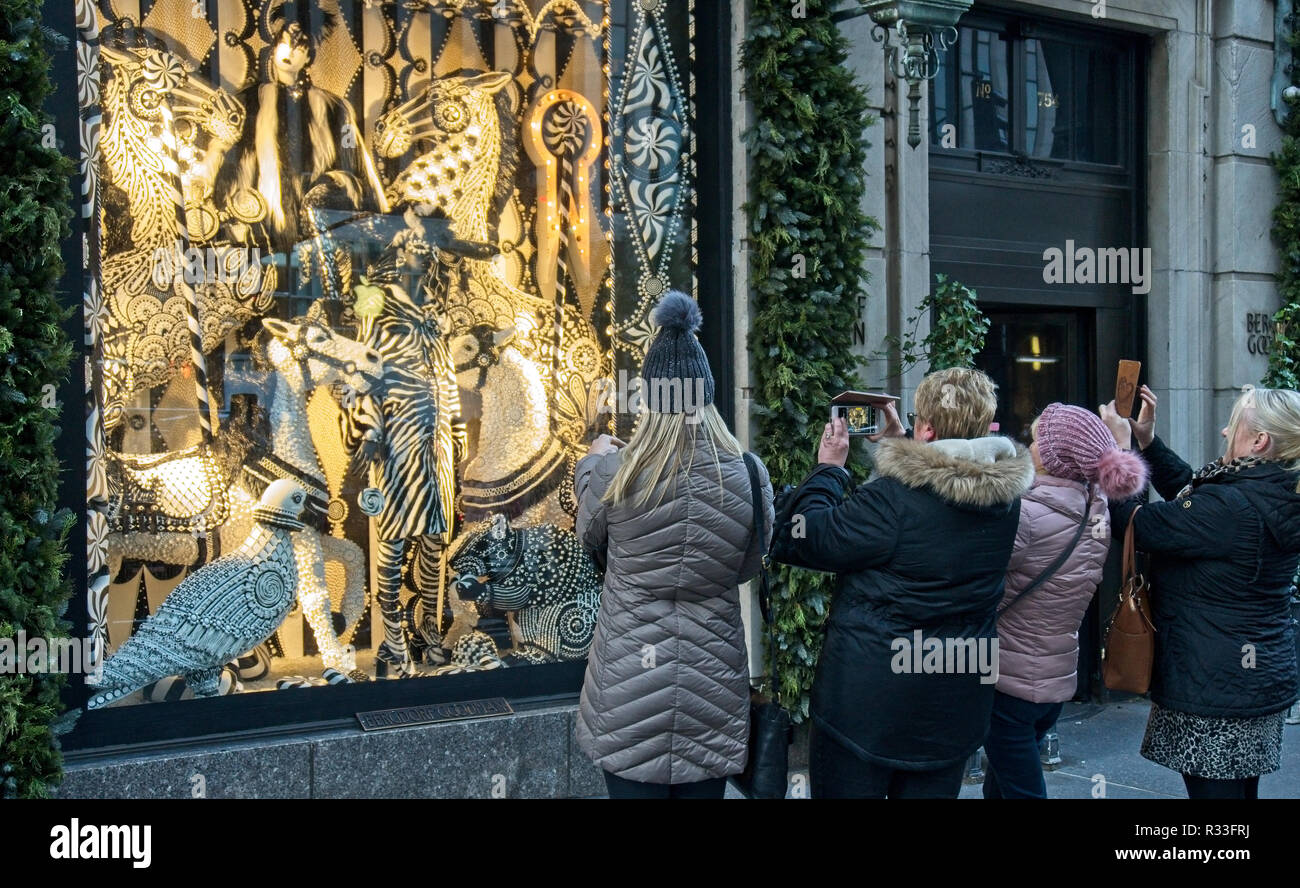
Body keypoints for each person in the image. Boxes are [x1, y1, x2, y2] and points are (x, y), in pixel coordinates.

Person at [771, 367, 1035, 799]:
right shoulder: (1005, 499)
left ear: (927, 427)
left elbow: (805, 537)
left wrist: (829, 470)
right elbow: (944, 484)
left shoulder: (891, 501)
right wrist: (905, 445)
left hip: (868, 711)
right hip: (953, 704)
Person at [574, 291, 774, 799]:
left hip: (629, 685)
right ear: (704, 396)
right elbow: (749, 562)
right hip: (712, 685)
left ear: (650, 399)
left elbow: (588, 539)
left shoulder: (615, 473)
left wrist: (589, 463)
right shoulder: (748, 474)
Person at [1100, 385, 1300, 800]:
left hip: (1215, 687)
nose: (1226, 433)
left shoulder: (1232, 507)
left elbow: (1136, 523)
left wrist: (1118, 453)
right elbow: (1195, 498)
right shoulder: (1273, 490)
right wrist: (1147, 444)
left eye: (1235, 424)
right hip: (1253, 678)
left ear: (1260, 440)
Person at [985, 404, 1148, 799]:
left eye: (1039, 439)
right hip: (1054, 677)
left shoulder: (1027, 515)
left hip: (1009, 680)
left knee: (1022, 788)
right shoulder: (1096, 509)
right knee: (1004, 783)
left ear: (1056, 458)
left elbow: (974, 567)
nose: (1031, 445)